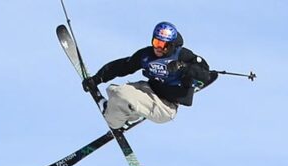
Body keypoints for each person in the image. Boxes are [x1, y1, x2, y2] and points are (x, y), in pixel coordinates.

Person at [82, 21, 218, 130]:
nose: (159, 48)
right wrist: (98, 78)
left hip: (166, 106)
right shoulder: (147, 56)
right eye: (156, 42)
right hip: (150, 90)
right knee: (114, 91)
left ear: (172, 45)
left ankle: (121, 117)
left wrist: (184, 66)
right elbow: (123, 66)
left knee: (122, 95)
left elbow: (204, 74)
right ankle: (123, 114)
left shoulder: (183, 55)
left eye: (164, 45)